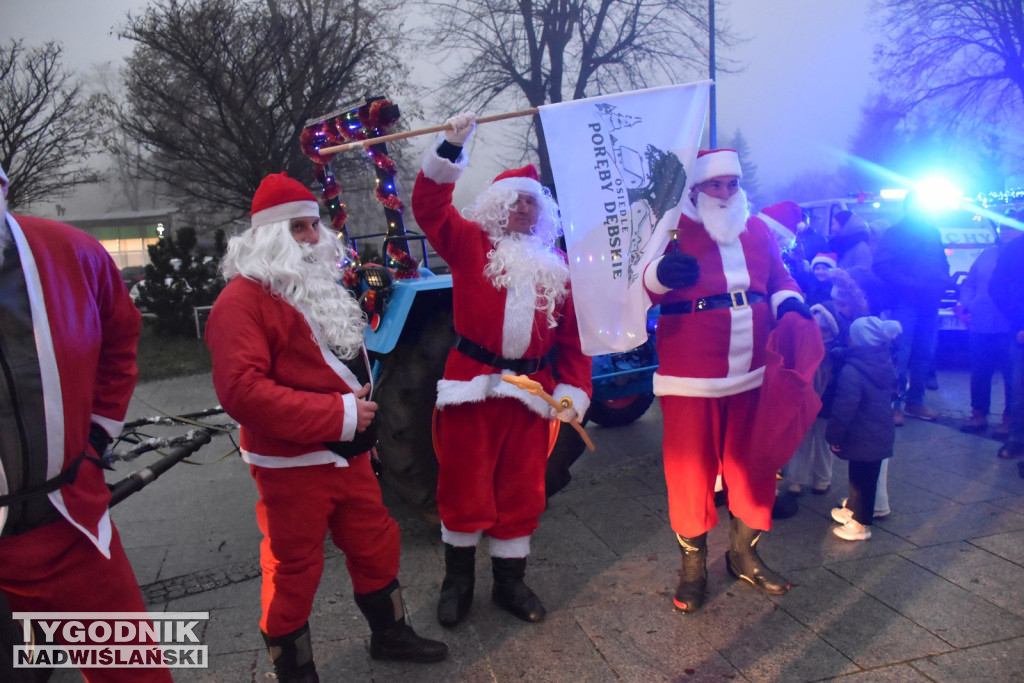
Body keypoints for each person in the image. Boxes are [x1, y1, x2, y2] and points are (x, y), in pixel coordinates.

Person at [205, 172, 448, 681]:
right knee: (292, 569)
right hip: (291, 464)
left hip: (350, 453)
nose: (313, 237)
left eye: (314, 225)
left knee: (376, 542)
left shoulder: (312, 287)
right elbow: (242, 391)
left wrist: (361, 430)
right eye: (298, 228)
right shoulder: (239, 302)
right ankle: (296, 671)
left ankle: (390, 634)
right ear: (268, 236)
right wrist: (340, 416)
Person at [410, 112, 592, 628]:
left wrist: (574, 390)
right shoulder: (468, 244)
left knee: (522, 487)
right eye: (514, 201)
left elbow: (574, 340)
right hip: (472, 388)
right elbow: (429, 207)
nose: (523, 209)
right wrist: (450, 146)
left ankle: (510, 583)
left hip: (533, 392)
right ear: (495, 206)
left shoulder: (559, 268)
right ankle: (458, 582)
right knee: (463, 485)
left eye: (531, 203)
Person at [0, 164, 172, 682]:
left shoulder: (71, 252)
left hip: (69, 523)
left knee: (135, 673)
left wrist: (98, 432)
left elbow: (121, 335)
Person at [643, 148, 810, 613]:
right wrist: (659, 275)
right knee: (690, 470)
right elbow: (635, 288)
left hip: (753, 368)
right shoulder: (671, 228)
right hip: (690, 371)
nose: (724, 192)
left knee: (752, 464)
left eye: (731, 184)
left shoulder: (757, 229)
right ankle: (693, 568)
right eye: (714, 184)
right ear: (696, 188)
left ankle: (744, 555)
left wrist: (790, 301)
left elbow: (780, 278)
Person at [873, 191, 950, 423]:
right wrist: (911, 284)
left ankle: (915, 402)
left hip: (929, 303)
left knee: (925, 354)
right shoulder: (894, 233)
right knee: (900, 354)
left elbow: (941, 262)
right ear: (908, 207)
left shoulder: (932, 232)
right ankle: (894, 405)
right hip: (904, 302)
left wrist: (943, 281)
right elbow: (881, 265)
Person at [827, 316, 902, 541]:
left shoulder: (853, 371)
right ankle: (853, 509)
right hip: (879, 431)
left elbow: (844, 408)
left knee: (862, 481)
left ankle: (861, 524)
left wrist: (834, 435)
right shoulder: (884, 360)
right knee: (863, 476)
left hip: (861, 433)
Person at [958, 212, 1021, 436]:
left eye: (1011, 227)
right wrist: (968, 303)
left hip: (1010, 324)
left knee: (1012, 374)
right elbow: (969, 282)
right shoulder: (987, 255)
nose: (1006, 231)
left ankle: (1010, 418)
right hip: (982, 321)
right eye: (1003, 227)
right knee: (979, 371)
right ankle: (978, 413)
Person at [989, 208, 1024, 461]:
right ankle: (1018, 439)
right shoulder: (1015, 250)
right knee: (1019, 389)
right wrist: (1018, 322)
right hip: (1021, 330)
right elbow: (998, 288)